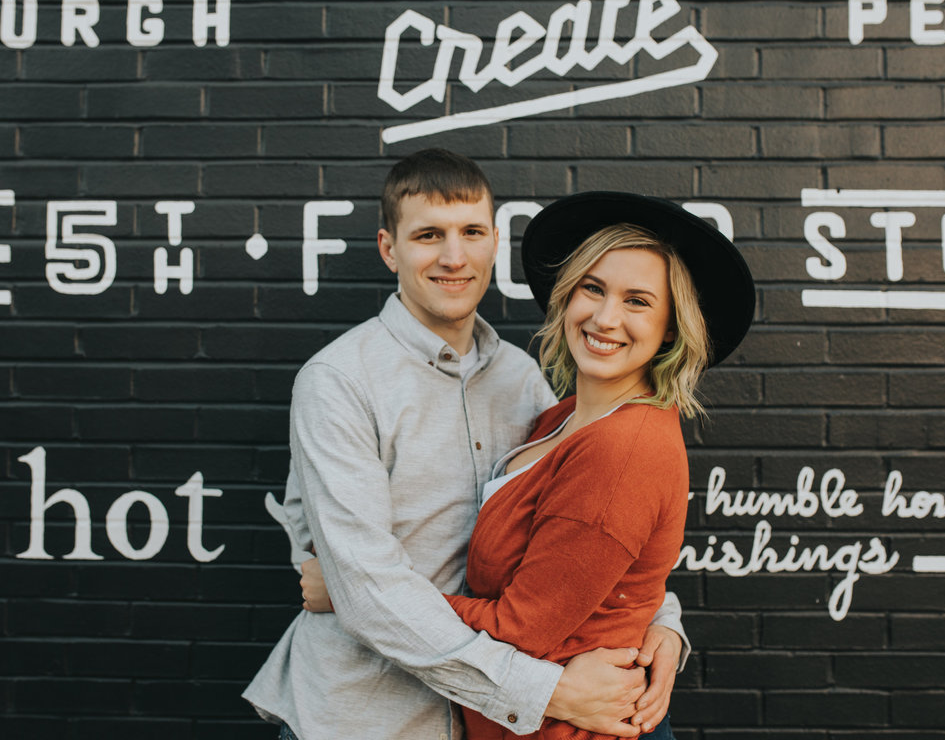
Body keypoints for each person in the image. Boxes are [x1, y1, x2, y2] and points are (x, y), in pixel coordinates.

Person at [242, 150, 691, 740]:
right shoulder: (339, 382)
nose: (454, 257)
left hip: (494, 721)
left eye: (471, 233)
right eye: (429, 235)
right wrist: (547, 691)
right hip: (370, 713)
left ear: (493, 244)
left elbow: (587, 533)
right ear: (388, 248)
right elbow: (369, 590)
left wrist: (662, 623)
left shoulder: (523, 380)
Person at [442, 192, 755, 739]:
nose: (605, 318)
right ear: (567, 296)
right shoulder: (564, 417)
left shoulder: (622, 447)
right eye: (593, 288)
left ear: (671, 329)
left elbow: (520, 630)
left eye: (638, 301)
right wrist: (664, 621)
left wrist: (373, 597)